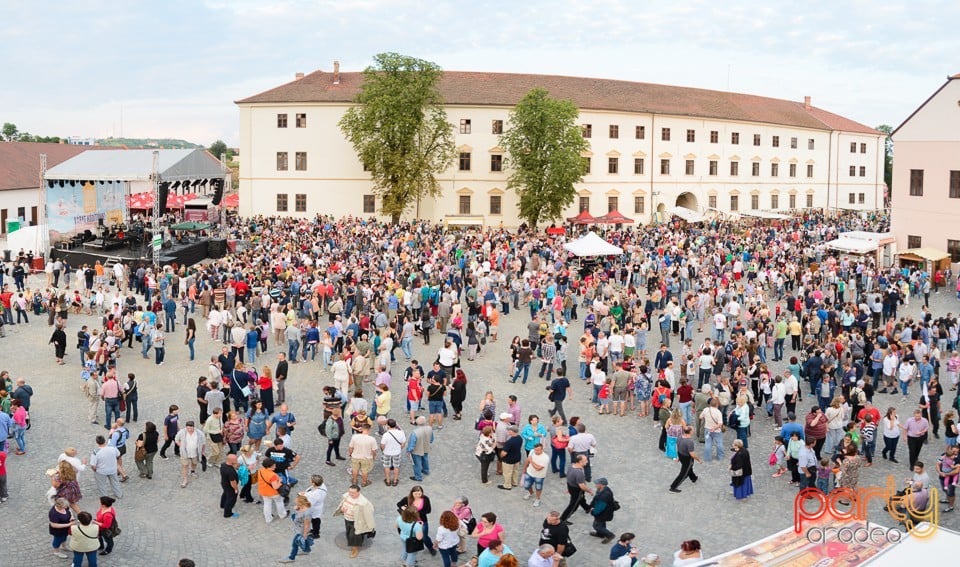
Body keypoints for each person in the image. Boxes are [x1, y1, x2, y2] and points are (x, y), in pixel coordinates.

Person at [334, 483, 376, 559]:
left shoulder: (363, 502)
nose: (351, 494)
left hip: (356, 521)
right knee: (349, 532)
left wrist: (370, 525)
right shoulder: (347, 496)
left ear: (358, 492)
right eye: (350, 492)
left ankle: (355, 549)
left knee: (354, 535)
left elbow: (369, 512)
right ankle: (357, 541)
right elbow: (343, 504)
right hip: (347, 518)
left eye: (353, 493)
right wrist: (343, 509)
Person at [278, 495, 315, 563]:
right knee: (304, 540)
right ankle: (306, 550)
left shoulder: (307, 513)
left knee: (294, 544)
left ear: (301, 503)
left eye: (297, 503)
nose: (296, 504)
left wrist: (304, 534)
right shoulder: (301, 507)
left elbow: (306, 525)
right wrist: (297, 509)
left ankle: (291, 557)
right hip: (298, 526)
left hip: (301, 530)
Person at [559, 454, 592, 523]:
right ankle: (563, 519)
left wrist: (569, 488)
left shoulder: (571, 465)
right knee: (573, 505)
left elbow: (568, 476)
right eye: (585, 460)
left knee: (581, 499)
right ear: (580, 462)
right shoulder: (579, 473)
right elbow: (582, 486)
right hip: (576, 490)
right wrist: (589, 490)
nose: (587, 462)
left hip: (570, 486)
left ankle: (587, 508)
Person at [669, 426, 702, 494]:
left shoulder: (680, 436)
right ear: (690, 432)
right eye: (693, 429)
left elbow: (678, 446)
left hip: (681, 455)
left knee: (688, 468)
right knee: (683, 473)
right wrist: (698, 460)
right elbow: (692, 454)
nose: (694, 430)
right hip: (687, 458)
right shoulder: (690, 441)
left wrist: (678, 457)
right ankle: (673, 487)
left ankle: (693, 478)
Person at [174, 421, 205, 489]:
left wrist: (202, 451)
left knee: (194, 463)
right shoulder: (182, 432)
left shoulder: (199, 433)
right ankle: (185, 479)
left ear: (194, 427)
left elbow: (203, 443)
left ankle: (192, 471)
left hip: (195, 452)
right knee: (185, 465)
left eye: (191, 428)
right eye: (188, 428)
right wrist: (181, 446)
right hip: (185, 452)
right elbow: (176, 439)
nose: (189, 430)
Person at [89, 435, 122, 499]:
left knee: (102, 485)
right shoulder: (112, 447)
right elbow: (118, 454)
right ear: (104, 440)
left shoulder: (96, 451)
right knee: (115, 482)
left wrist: (95, 470)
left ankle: (105, 497)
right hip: (112, 469)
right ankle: (119, 494)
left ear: (97, 442)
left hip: (101, 471)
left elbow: (93, 464)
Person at [348, 421, 378, 486]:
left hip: (355, 456)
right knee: (365, 471)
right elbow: (373, 450)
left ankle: (354, 480)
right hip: (366, 457)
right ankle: (364, 482)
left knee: (355, 469)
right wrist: (374, 456)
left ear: (361, 429)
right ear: (369, 430)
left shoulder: (355, 437)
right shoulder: (372, 439)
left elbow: (351, 447)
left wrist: (350, 453)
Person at [588, 477, 616, 544]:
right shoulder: (601, 490)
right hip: (604, 512)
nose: (595, 485)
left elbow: (600, 507)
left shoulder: (604, 495)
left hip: (603, 513)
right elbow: (596, 499)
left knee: (597, 525)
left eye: (597, 483)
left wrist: (593, 511)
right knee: (601, 523)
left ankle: (610, 535)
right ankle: (600, 534)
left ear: (602, 485)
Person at [397, 503, 426, 567]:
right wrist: (421, 527)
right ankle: (408, 565)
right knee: (412, 554)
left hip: (403, 537)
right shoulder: (417, 525)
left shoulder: (399, 518)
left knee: (405, 548)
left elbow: (397, 526)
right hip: (411, 541)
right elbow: (419, 538)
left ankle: (403, 560)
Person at [381, 418, 406, 486]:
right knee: (396, 466)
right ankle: (395, 480)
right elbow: (403, 443)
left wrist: (383, 450)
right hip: (397, 452)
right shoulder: (401, 433)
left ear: (388, 426)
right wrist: (399, 448)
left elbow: (382, 445)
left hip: (387, 452)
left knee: (386, 466)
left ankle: (388, 480)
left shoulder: (386, 434)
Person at [301, 474, 327, 539]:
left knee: (315, 520)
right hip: (317, 506)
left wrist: (303, 496)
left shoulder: (316, 494)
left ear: (314, 483)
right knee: (315, 520)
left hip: (314, 509)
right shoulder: (322, 486)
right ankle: (315, 530)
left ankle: (316, 533)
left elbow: (309, 503)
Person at [219, 453, 240, 519]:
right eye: (235, 460)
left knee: (225, 494)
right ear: (231, 461)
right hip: (230, 487)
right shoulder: (231, 471)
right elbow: (233, 483)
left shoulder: (223, 465)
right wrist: (236, 489)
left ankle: (222, 505)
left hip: (224, 483)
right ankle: (227, 513)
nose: (237, 461)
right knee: (231, 499)